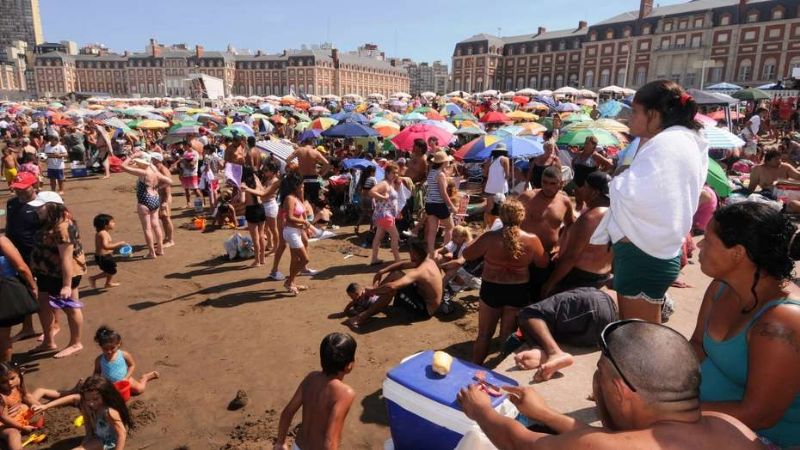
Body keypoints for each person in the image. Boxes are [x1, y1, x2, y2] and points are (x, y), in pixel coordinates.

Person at [458, 320, 768, 450]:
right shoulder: (730, 427)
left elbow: (520, 443)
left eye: (601, 376)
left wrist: (482, 410)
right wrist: (547, 415)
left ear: (619, 390)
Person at [591, 80, 708, 323]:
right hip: (651, 252)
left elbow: (631, 193)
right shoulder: (682, 139)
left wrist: (617, 180)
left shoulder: (665, 144)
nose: (630, 118)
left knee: (637, 334)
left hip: (643, 255)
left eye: (635, 111)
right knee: (641, 330)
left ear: (653, 115)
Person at [690, 202, 800, 447]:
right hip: (710, 416)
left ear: (738, 253)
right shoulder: (721, 286)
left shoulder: (781, 322)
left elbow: (760, 415)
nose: (699, 245)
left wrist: (671, 412)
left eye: (708, 240)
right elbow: (697, 345)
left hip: (767, 438)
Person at [462, 199, 548, 365]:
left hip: (491, 289)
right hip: (518, 290)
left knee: (484, 335)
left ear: (501, 216)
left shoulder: (489, 238)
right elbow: (543, 263)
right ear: (522, 217)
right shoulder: (532, 240)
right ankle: (499, 367)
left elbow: (467, 255)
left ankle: (475, 367)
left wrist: (478, 237)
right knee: (507, 334)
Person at [27, 192, 86, 359]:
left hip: (64, 274)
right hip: (46, 271)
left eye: (40, 207)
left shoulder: (63, 227)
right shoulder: (47, 221)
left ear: (52, 207)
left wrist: (66, 285)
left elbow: (66, 259)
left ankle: (76, 342)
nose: (37, 209)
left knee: (71, 308)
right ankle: (48, 341)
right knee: (43, 304)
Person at [274, 332, 356, 450]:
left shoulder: (311, 378)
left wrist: (280, 442)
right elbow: (330, 441)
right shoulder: (345, 394)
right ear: (349, 365)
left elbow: (287, 412)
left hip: (298, 446)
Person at [516, 287, 617, 381]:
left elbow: (533, 314)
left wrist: (549, 284)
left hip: (599, 303)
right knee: (545, 324)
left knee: (529, 313)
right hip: (606, 330)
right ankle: (540, 350)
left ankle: (554, 353)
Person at [540, 171, 612, 298]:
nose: (581, 190)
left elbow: (571, 257)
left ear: (594, 193)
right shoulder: (615, 213)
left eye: (585, 187)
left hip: (579, 279)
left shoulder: (590, 218)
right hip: (603, 275)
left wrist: (549, 284)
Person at [345, 239, 444, 329]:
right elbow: (402, 264)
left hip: (424, 310)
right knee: (396, 274)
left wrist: (373, 291)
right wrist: (382, 271)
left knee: (390, 289)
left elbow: (392, 286)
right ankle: (375, 299)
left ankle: (361, 317)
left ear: (415, 254)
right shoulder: (427, 260)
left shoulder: (421, 270)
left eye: (411, 252)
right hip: (421, 299)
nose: (410, 255)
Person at [0, 362, 72, 450]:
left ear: (18, 374)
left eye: (12, 378)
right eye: (3, 382)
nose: (10, 383)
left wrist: (37, 405)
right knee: (13, 434)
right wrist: (22, 427)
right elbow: (4, 417)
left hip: (21, 413)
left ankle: (72, 392)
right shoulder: (1, 396)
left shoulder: (18, 383)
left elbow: (26, 396)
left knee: (40, 391)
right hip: (5, 423)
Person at [5, 173, 41, 342]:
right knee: (24, 291)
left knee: (44, 292)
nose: (19, 192)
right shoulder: (12, 203)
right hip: (15, 255)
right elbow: (9, 226)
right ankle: (28, 328)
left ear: (35, 186)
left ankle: (53, 326)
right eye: (16, 189)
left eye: (23, 188)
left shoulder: (42, 206)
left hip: (36, 255)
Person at [121, 153, 171, 259]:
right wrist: (158, 187)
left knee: (147, 228)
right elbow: (169, 181)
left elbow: (123, 166)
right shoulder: (154, 171)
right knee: (156, 225)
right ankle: (160, 249)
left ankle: (152, 253)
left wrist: (131, 156)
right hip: (155, 198)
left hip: (144, 200)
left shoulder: (143, 172)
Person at [0, 236, 38, 362]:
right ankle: (6, 369)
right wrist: (33, 286)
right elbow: (21, 267)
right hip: (4, 290)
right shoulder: (2, 241)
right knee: (3, 336)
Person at [91, 326, 158, 395]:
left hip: (125, 379)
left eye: (112, 348)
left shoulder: (123, 355)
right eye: (105, 349)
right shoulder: (99, 360)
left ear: (118, 344)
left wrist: (126, 378)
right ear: (101, 346)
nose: (109, 351)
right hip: (109, 384)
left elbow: (132, 365)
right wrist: (95, 382)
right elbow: (97, 372)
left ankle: (145, 378)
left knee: (139, 389)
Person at [280, 173, 311, 295]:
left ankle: (292, 283)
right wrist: (304, 222)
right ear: (296, 186)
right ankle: (289, 281)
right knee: (305, 259)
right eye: (301, 185)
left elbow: (302, 211)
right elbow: (289, 217)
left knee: (295, 259)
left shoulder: (296, 198)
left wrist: (301, 193)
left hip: (296, 231)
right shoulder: (290, 198)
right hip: (291, 232)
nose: (303, 186)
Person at [424, 151, 457, 256]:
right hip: (439, 204)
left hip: (429, 203)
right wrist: (452, 206)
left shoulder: (431, 172)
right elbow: (443, 193)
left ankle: (431, 252)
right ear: (443, 162)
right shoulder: (440, 174)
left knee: (433, 230)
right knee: (450, 227)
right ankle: (446, 252)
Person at [369, 162, 401, 265]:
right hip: (385, 215)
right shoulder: (384, 183)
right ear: (387, 173)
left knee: (378, 236)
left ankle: (374, 259)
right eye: (393, 173)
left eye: (397, 173)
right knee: (395, 236)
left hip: (384, 214)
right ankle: (397, 261)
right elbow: (371, 192)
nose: (395, 175)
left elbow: (393, 199)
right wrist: (383, 197)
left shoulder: (391, 183)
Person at [571, 136, 612, 211]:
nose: (586, 145)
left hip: (589, 186)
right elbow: (573, 163)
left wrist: (600, 173)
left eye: (588, 144)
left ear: (594, 146)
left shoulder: (595, 155)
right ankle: (578, 217)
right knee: (578, 204)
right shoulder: (579, 153)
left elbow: (609, 164)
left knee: (590, 205)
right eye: (585, 143)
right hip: (577, 183)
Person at [87, 214, 127, 289]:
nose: (114, 223)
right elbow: (105, 246)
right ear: (105, 225)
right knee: (112, 271)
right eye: (112, 222)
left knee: (111, 269)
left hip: (105, 256)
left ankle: (108, 283)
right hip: (103, 257)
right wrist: (119, 244)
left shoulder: (103, 232)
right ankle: (93, 278)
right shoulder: (103, 234)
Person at [285, 140, 329, 207]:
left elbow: (287, 160)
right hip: (313, 180)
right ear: (312, 143)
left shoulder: (299, 150)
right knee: (314, 204)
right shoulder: (315, 152)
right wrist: (322, 173)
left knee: (301, 203)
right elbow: (327, 163)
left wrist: (295, 167)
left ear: (304, 143)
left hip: (302, 180)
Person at [241, 169, 268, 267]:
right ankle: (262, 258)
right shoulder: (257, 180)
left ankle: (257, 261)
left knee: (255, 238)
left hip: (251, 210)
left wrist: (240, 193)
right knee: (261, 235)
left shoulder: (243, 184)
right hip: (261, 208)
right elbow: (263, 191)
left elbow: (242, 200)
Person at [151, 153, 175, 248]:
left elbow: (168, 183)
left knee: (166, 218)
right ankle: (166, 238)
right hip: (161, 197)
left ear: (157, 160)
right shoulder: (157, 169)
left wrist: (165, 200)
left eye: (152, 159)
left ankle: (171, 240)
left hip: (165, 197)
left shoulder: (163, 169)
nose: (151, 160)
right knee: (163, 218)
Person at [261, 161, 282, 254]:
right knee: (266, 228)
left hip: (270, 205)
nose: (264, 172)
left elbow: (265, 192)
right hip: (265, 204)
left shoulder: (275, 181)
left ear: (272, 171)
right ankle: (270, 244)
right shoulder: (267, 179)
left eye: (266, 170)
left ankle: (276, 248)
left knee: (273, 228)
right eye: (264, 170)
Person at [353, 165, 376, 236]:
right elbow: (376, 188)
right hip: (370, 199)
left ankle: (357, 226)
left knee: (363, 213)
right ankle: (371, 229)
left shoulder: (364, 178)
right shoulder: (373, 179)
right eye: (375, 172)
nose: (375, 173)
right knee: (372, 215)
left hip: (363, 198)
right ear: (372, 172)